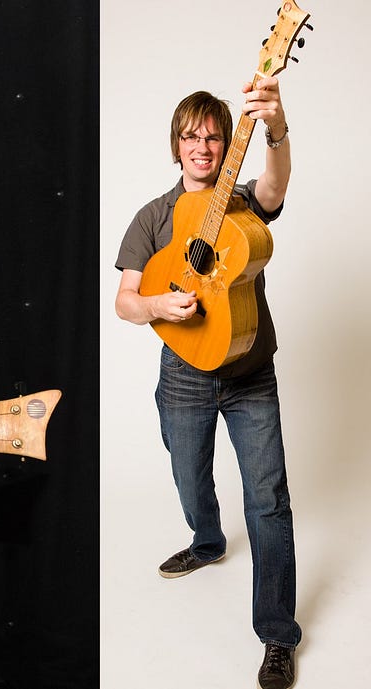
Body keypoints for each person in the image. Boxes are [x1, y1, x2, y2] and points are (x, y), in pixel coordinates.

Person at [113, 82, 297, 689]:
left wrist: (274, 128)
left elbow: (274, 188)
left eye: (213, 135)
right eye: (191, 136)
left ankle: (276, 634)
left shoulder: (241, 200)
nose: (202, 145)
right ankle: (208, 539)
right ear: (177, 145)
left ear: (226, 145)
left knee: (267, 500)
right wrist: (159, 304)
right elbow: (125, 300)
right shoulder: (153, 217)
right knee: (189, 475)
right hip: (184, 375)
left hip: (249, 373)